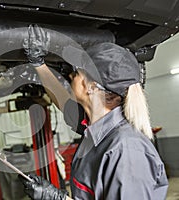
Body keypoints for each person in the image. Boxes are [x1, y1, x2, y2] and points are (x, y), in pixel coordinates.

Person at [19, 25, 169, 200]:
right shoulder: (98, 129)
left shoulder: (126, 151)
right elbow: (63, 101)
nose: (70, 76)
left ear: (90, 87)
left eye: (76, 73)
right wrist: (39, 64)